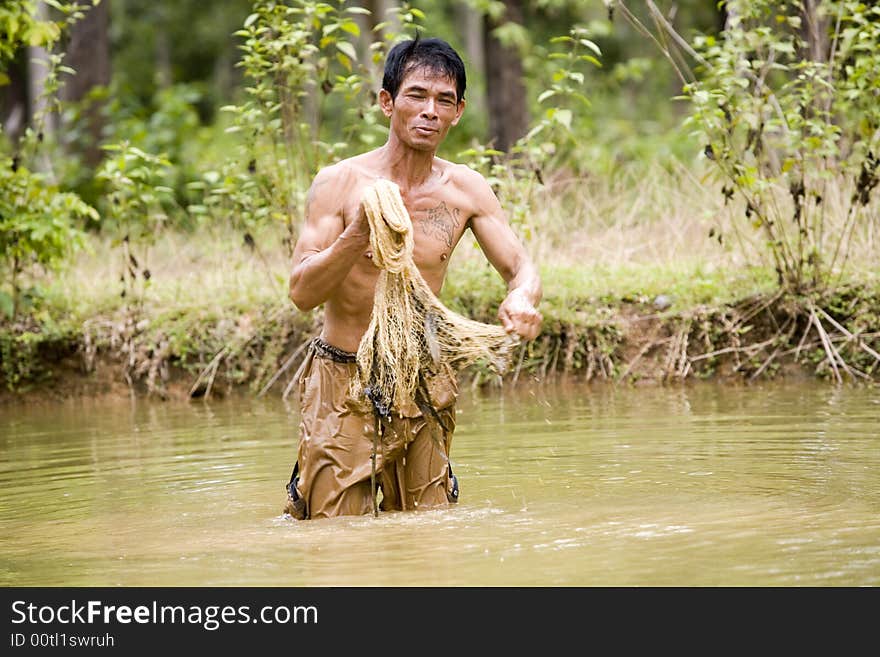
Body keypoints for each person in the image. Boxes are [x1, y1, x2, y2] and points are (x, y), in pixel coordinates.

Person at [283, 35, 542, 520]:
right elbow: (302, 292)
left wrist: (523, 298)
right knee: (337, 537)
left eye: (444, 101)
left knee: (430, 531)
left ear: (459, 112)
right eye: (417, 95)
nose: (430, 111)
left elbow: (519, 267)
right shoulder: (339, 183)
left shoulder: (464, 189)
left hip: (422, 378)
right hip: (344, 378)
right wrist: (359, 232)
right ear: (387, 103)